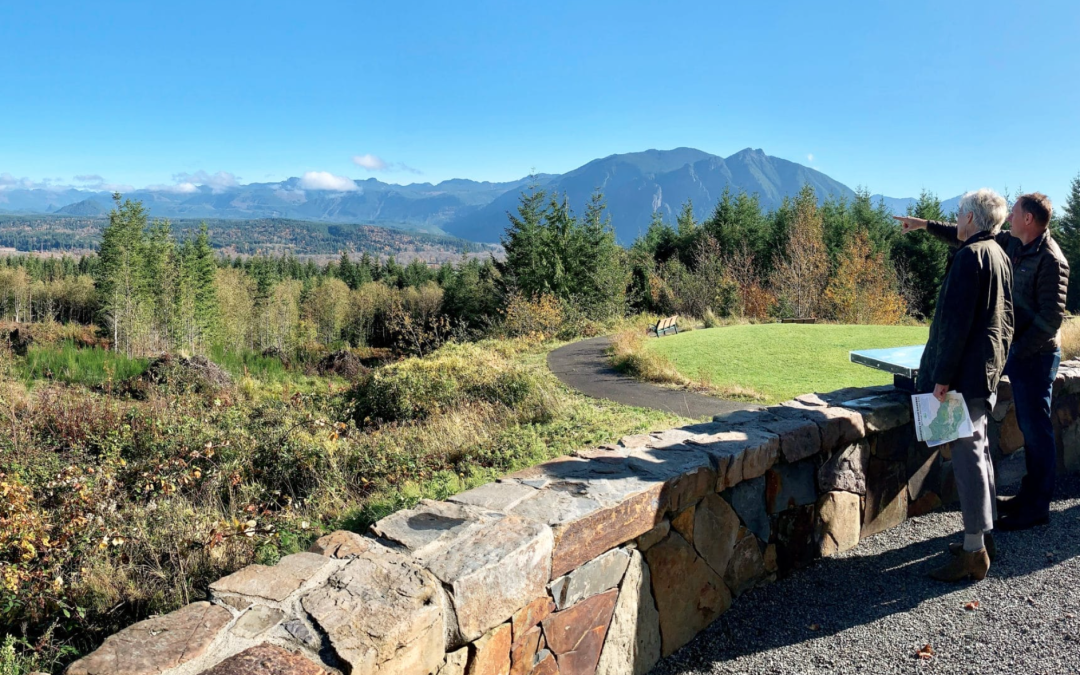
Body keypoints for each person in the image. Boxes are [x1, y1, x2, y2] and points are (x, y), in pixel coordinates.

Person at [899, 193, 1069, 531]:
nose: (1008, 218)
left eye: (1015, 212)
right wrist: (923, 225)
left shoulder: (1052, 260)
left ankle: (1036, 506)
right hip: (1012, 350)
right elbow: (967, 232)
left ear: (1029, 220)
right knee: (1019, 428)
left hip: (1035, 357)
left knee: (1036, 431)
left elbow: (1051, 320)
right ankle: (1021, 500)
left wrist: (1013, 351)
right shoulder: (1008, 243)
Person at [895, 189, 1013, 582]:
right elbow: (1006, 320)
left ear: (970, 219)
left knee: (967, 458)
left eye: (959, 213)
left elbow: (954, 325)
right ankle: (985, 537)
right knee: (979, 451)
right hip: (985, 372)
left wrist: (941, 378)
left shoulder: (969, 258)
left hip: (962, 378)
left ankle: (973, 552)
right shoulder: (998, 254)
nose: (956, 219)